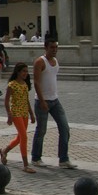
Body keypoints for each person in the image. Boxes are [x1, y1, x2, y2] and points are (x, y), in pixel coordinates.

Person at [31, 39, 77, 169]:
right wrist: (41, 100)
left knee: (64, 128)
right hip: (42, 101)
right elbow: (36, 82)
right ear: (46, 48)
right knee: (41, 130)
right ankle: (36, 158)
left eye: (56, 47)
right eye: (52, 47)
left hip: (55, 100)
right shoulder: (40, 62)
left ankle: (63, 159)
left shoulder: (55, 61)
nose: (54, 50)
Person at [0, 62, 37, 173]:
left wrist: (31, 114)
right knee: (24, 137)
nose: (26, 73)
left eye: (27, 71)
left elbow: (26, 100)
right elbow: (6, 102)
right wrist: (9, 115)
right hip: (16, 113)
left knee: (19, 138)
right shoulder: (12, 85)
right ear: (18, 72)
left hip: (24, 113)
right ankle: (25, 165)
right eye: (23, 71)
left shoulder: (25, 85)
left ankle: (4, 151)